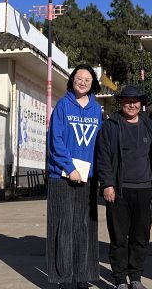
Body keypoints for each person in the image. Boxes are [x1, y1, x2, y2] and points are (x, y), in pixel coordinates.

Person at [96, 84, 152, 289]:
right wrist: (108, 184)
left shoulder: (148, 125)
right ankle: (119, 279)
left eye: (135, 101)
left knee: (140, 235)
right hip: (119, 190)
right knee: (118, 236)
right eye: (127, 101)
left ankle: (135, 277)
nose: (131, 105)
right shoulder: (110, 126)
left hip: (143, 189)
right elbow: (103, 157)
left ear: (141, 103)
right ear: (121, 103)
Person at [47, 65, 104, 289]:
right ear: (71, 80)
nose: (82, 82)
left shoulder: (96, 110)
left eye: (87, 79)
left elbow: (100, 143)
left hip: (87, 178)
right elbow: (56, 140)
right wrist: (70, 168)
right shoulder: (62, 105)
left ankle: (83, 276)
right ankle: (64, 278)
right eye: (79, 78)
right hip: (62, 176)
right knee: (63, 227)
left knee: (84, 227)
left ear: (93, 83)